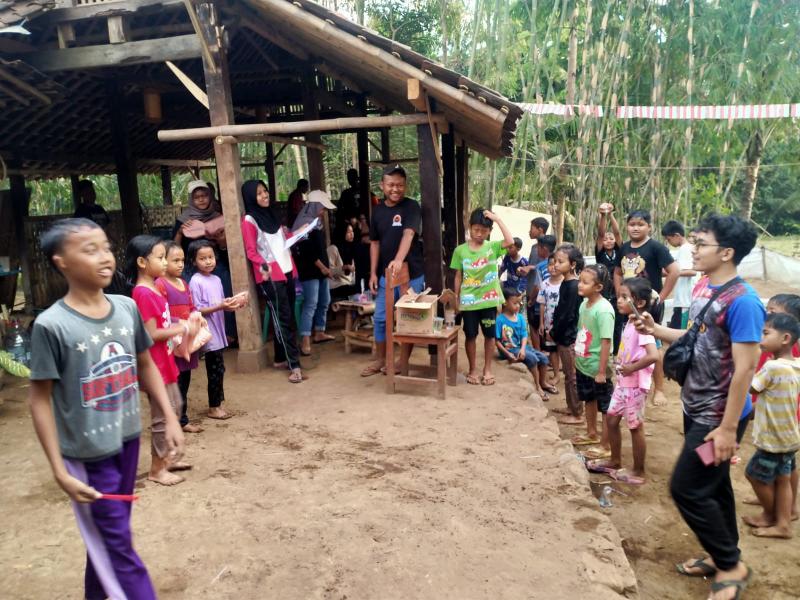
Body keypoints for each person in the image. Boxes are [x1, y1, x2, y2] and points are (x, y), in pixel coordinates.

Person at [29, 219, 184, 600]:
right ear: (62, 261)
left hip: (127, 440)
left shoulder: (126, 308)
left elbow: (145, 363)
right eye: (90, 250)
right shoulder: (51, 326)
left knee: (109, 536)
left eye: (107, 248)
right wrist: (59, 470)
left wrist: (170, 417)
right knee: (118, 547)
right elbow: (39, 400)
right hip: (87, 455)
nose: (105, 257)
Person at [635, 213, 763, 598]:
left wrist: (727, 429)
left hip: (719, 416)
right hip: (695, 406)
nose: (693, 248)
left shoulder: (745, 302)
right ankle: (723, 553)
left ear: (726, 252)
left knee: (686, 488)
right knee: (715, 485)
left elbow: (745, 369)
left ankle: (731, 565)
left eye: (701, 243)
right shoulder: (707, 286)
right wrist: (656, 330)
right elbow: (696, 336)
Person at [127, 235, 193, 486]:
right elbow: (151, 333)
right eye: (160, 257)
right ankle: (157, 469)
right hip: (154, 365)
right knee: (161, 417)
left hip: (164, 361)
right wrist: (182, 328)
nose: (165, 262)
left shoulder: (154, 287)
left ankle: (168, 459)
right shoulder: (142, 293)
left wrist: (180, 324)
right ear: (142, 262)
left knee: (175, 407)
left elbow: (162, 323)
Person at [588, 278, 661, 484]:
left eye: (624, 297)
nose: (618, 300)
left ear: (640, 303)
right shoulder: (630, 321)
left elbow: (654, 355)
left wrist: (631, 368)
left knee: (635, 427)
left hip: (635, 385)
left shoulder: (642, 325)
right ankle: (614, 460)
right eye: (619, 296)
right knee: (611, 420)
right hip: (623, 383)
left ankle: (638, 471)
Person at [361, 164, 425, 377]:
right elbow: (375, 243)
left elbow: (409, 234)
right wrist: (372, 273)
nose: (395, 189)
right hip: (385, 276)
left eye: (400, 185)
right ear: (382, 185)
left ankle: (401, 361)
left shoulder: (411, 206)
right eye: (391, 185)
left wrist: (398, 260)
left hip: (411, 274)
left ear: (405, 186)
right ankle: (380, 359)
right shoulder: (378, 210)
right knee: (380, 318)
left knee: (408, 320)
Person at [241, 179, 305, 384]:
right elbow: (251, 251)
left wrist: (299, 232)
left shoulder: (273, 215)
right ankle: (294, 366)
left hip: (287, 270)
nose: (264, 195)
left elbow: (282, 240)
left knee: (287, 317)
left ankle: (280, 358)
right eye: (259, 193)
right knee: (283, 319)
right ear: (251, 197)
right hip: (270, 275)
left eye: (265, 191)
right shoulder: (249, 220)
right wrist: (263, 266)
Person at [743, 313, 800, 539]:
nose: (761, 338)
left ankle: (770, 514)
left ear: (785, 338)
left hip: (772, 439)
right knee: (783, 480)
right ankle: (783, 524)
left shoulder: (772, 367)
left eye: (766, 333)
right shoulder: (795, 365)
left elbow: (751, 388)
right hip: (789, 436)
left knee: (754, 475)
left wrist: (748, 360)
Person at [615, 209, 679, 407]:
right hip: (628, 305)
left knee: (653, 345)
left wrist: (661, 297)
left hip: (648, 307)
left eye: (640, 224)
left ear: (649, 227)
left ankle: (658, 389)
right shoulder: (624, 248)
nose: (636, 228)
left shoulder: (656, 248)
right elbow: (617, 272)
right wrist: (620, 294)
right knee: (630, 340)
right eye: (632, 224)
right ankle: (631, 379)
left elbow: (674, 271)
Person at [451, 208, 514, 386]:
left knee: (489, 335)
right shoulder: (460, 251)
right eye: (476, 229)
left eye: (484, 231)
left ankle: (487, 369)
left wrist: (497, 219)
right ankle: (472, 369)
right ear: (469, 227)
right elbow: (458, 276)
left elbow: (510, 241)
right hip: (469, 302)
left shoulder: (492, 247)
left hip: (488, 302)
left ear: (489, 231)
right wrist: (456, 298)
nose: (479, 234)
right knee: (470, 335)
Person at [188, 240, 241, 419]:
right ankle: (214, 407)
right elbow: (196, 309)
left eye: (210, 257)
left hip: (219, 330)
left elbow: (220, 304)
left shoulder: (216, 279)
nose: (208, 261)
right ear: (194, 261)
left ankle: (218, 403)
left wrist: (232, 304)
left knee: (219, 368)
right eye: (202, 258)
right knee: (215, 369)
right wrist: (221, 306)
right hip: (208, 332)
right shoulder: (195, 281)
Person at [155, 242, 204, 433]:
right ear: (163, 261)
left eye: (182, 260)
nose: (181, 264)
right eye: (175, 260)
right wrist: (182, 323)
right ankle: (171, 420)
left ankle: (182, 420)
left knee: (185, 380)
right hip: (171, 341)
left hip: (186, 341)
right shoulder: (160, 284)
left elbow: (192, 307)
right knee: (172, 381)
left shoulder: (184, 283)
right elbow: (162, 314)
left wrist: (197, 317)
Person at [572, 264, 615, 458]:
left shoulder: (604, 310)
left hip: (598, 366)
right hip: (584, 363)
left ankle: (606, 445)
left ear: (598, 287)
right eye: (580, 280)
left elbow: (606, 341)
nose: (580, 285)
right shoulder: (584, 304)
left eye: (585, 282)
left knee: (605, 407)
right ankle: (591, 433)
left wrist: (601, 371)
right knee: (589, 399)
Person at [293, 190, 337, 356]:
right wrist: (323, 268)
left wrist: (325, 268)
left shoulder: (316, 222)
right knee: (311, 303)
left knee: (324, 300)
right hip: (310, 270)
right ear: (314, 205)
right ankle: (305, 339)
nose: (323, 211)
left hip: (321, 269)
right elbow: (307, 251)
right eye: (322, 208)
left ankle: (319, 332)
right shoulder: (303, 223)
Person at [550, 244, 584, 425]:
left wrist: (555, 332)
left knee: (572, 376)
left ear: (572, 264)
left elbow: (569, 316)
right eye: (555, 261)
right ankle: (571, 407)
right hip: (563, 336)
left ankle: (577, 413)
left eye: (560, 261)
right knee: (568, 374)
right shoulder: (566, 283)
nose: (555, 264)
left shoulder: (574, 287)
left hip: (569, 338)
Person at [496, 287, 550, 399]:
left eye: (519, 303)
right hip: (510, 349)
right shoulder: (500, 320)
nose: (518, 306)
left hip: (522, 347)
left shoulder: (520, 318)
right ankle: (537, 386)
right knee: (532, 358)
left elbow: (524, 335)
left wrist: (523, 349)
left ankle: (543, 382)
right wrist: (507, 354)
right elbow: (497, 341)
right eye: (515, 303)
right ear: (505, 303)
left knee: (544, 359)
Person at [596, 203, 623, 352]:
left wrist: (611, 214)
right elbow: (600, 234)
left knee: (618, 323)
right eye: (606, 239)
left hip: (617, 290)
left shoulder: (619, 251)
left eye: (611, 238)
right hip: (604, 291)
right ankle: (602, 350)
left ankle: (616, 352)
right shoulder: (600, 253)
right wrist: (603, 216)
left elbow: (617, 233)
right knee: (604, 321)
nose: (608, 240)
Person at [520, 220, 552, 349]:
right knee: (536, 324)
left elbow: (544, 265)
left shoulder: (547, 248)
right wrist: (526, 269)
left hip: (538, 292)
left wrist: (530, 267)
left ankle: (539, 352)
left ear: (540, 230)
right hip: (531, 289)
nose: (529, 231)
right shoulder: (534, 247)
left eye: (532, 228)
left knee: (537, 325)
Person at [662, 220, 698, 329]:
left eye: (669, 239)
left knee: (679, 333)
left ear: (677, 236)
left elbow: (692, 271)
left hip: (685, 301)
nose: (669, 242)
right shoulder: (684, 249)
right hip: (682, 301)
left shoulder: (685, 249)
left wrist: (673, 273)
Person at [536, 255, 562, 393]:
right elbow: (542, 304)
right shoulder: (544, 284)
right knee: (552, 349)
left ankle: (571, 373)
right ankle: (557, 374)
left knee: (565, 348)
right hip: (548, 323)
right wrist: (541, 323)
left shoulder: (566, 283)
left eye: (556, 263)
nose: (553, 267)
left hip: (563, 323)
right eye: (550, 264)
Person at [329, 222, 357, 300]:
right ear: (341, 233)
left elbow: (352, 274)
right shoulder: (332, 249)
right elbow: (329, 272)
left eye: (352, 231)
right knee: (353, 290)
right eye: (348, 232)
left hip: (347, 284)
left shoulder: (350, 248)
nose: (352, 234)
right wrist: (344, 267)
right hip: (336, 285)